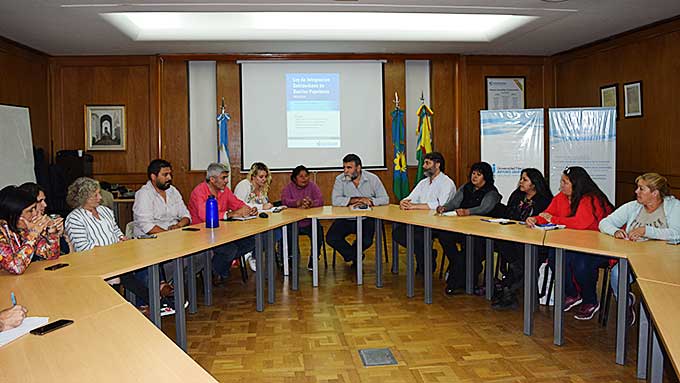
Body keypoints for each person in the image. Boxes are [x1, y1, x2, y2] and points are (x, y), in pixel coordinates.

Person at [527, 166, 613, 320]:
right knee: (554, 258)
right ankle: (573, 294)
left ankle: (590, 300)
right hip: (574, 243)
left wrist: (553, 220)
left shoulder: (590, 198)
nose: (561, 186)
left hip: (599, 247)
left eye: (565, 182)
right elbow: (548, 214)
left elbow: (581, 223)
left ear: (576, 184)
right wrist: (535, 219)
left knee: (581, 265)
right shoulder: (561, 197)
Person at [599, 173, 679, 324]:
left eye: (641, 189)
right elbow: (604, 223)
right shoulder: (633, 206)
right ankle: (626, 303)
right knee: (617, 274)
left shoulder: (674, 207)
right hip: (633, 257)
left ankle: (658, 319)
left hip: (663, 262)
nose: (636, 192)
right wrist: (614, 231)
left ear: (655, 193)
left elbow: (676, 234)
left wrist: (647, 231)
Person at [436, 161, 502, 295]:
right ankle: (458, 265)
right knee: (444, 235)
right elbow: (455, 202)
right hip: (463, 227)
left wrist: (468, 212)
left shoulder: (491, 192)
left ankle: (456, 280)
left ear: (486, 177)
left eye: (479, 174)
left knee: (469, 248)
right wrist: (444, 208)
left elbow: (485, 208)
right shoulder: (466, 187)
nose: (474, 177)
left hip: (482, 232)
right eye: (473, 173)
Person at [491, 168, 553, 310]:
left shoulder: (544, 200)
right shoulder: (517, 195)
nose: (520, 182)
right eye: (521, 178)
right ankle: (509, 287)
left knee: (521, 256)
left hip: (537, 242)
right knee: (503, 244)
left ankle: (508, 289)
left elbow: (544, 221)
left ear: (534, 183)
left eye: (525, 179)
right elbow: (509, 215)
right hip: (515, 237)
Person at [188, 163, 257, 286]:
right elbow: (205, 216)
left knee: (250, 242)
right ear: (212, 179)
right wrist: (231, 214)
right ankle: (214, 273)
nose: (226, 181)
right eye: (223, 178)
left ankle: (218, 269)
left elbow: (237, 203)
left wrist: (249, 209)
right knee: (229, 249)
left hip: (222, 231)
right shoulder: (200, 191)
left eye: (227, 177)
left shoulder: (224, 190)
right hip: (201, 233)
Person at [392, 152, 456, 274]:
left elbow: (441, 205)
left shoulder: (447, 183)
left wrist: (415, 206)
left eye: (427, 163)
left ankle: (426, 263)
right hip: (420, 221)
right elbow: (411, 198)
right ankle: (428, 257)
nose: (424, 166)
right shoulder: (423, 183)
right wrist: (403, 202)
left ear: (437, 164)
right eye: (424, 163)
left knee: (417, 238)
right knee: (398, 233)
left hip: (439, 223)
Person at [327, 153, 389, 266]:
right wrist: (354, 200)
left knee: (366, 241)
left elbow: (385, 199)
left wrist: (370, 201)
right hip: (346, 218)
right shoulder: (340, 179)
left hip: (367, 218)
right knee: (331, 238)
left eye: (349, 168)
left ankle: (354, 254)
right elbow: (335, 200)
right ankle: (355, 255)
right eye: (344, 167)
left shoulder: (372, 178)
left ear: (358, 168)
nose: (345, 171)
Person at [0, 186, 60, 274]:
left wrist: (51, 230)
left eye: (35, 208)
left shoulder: (22, 230)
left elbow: (52, 255)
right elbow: (16, 268)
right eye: (30, 210)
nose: (35, 213)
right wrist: (32, 236)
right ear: (13, 215)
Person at [233, 162, 282, 269]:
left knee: (277, 232)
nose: (264, 179)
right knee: (266, 233)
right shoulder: (244, 185)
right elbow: (238, 205)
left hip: (258, 221)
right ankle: (252, 254)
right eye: (261, 177)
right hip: (243, 222)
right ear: (253, 176)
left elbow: (264, 206)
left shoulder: (262, 189)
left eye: (265, 177)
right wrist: (261, 207)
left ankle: (254, 254)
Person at [280, 165, 324, 270]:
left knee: (318, 232)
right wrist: (298, 202)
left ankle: (314, 257)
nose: (305, 178)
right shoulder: (288, 188)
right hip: (293, 221)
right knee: (288, 233)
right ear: (295, 178)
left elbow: (321, 200)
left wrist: (311, 203)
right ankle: (292, 258)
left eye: (306, 176)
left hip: (309, 221)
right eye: (301, 176)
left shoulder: (312, 186)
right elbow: (284, 201)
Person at [133, 159, 191, 237]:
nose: (169, 178)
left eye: (170, 174)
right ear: (153, 177)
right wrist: (168, 235)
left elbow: (186, 215)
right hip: (150, 240)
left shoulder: (173, 191)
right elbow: (146, 226)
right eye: (165, 175)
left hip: (174, 237)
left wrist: (178, 225)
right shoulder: (143, 194)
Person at [19, 182, 72, 254]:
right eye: (40, 201)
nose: (45, 205)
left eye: (44, 200)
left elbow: (67, 252)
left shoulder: (48, 220)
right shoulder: (22, 230)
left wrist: (61, 234)